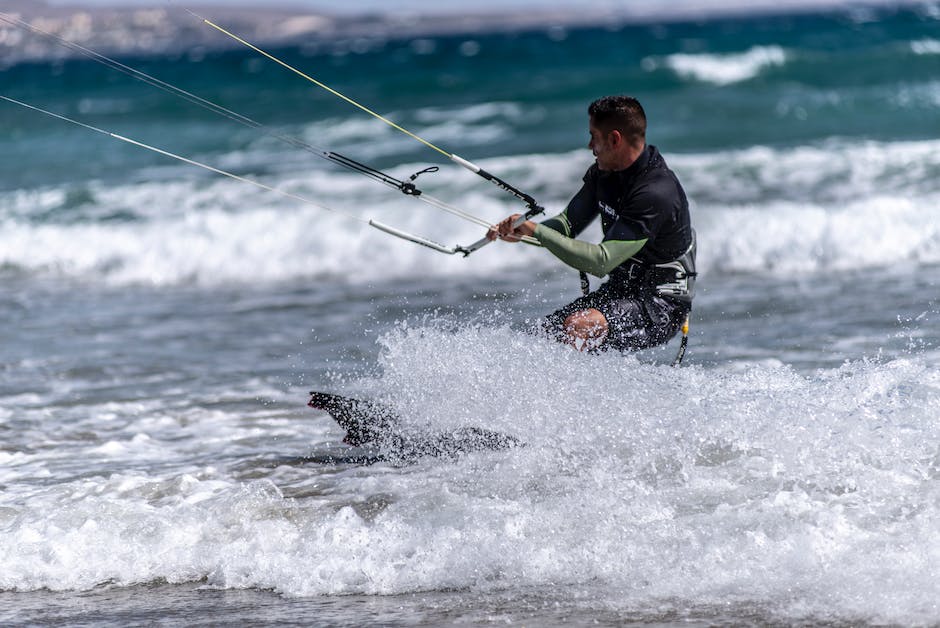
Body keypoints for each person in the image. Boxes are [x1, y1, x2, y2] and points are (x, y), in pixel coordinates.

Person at [488, 95, 696, 352]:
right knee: (540, 339)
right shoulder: (604, 174)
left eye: (593, 136)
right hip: (619, 292)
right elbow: (566, 225)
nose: (589, 145)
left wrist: (538, 232)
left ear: (614, 139)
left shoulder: (655, 193)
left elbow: (600, 261)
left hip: (660, 304)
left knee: (579, 327)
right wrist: (523, 231)